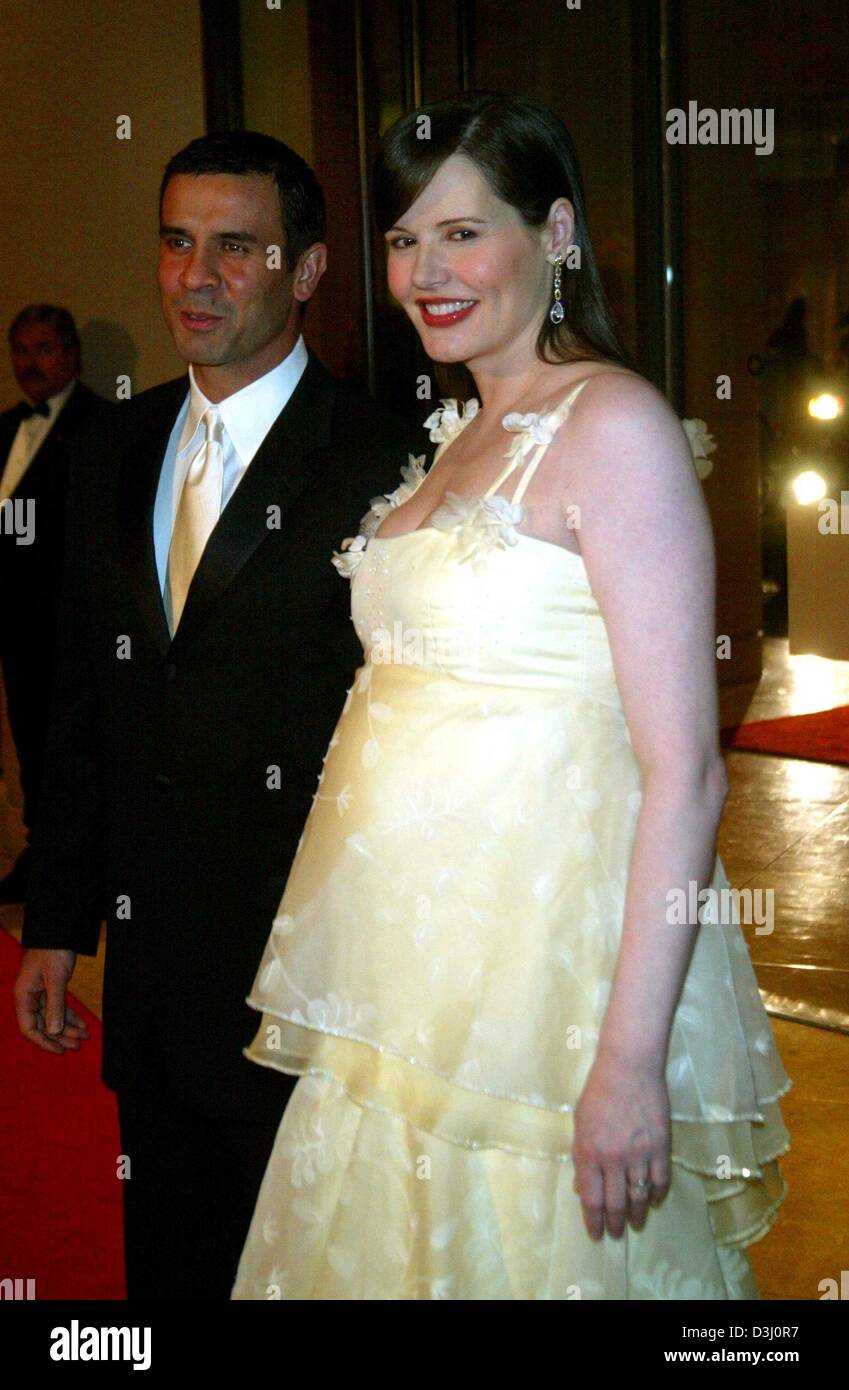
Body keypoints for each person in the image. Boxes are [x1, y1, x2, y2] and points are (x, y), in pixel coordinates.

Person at [231, 95, 792, 1301]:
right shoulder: (460, 435)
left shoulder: (614, 425)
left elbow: (685, 771)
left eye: (463, 233)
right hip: (403, 976)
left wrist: (629, 1061)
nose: (426, 272)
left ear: (558, 235)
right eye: (402, 241)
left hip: (547, 1000)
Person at [14, 131, 426, 1300]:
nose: (196, 275)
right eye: (177, 241)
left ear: (305, 271)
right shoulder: (112, 446)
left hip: (312, 993)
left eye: (235, 248)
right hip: (151, 993)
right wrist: (59, 911)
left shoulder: (386, 461)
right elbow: (83, 700)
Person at [0, 306, 112, 904]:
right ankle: (40, 859)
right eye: (20, 350)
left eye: (42, 348)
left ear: (71, 353)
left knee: (77, 746)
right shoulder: (5, 430)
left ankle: (83, 873)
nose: (30, 363)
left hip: (74, 620)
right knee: (31, 741)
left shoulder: (104, 427)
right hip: (18, 622)